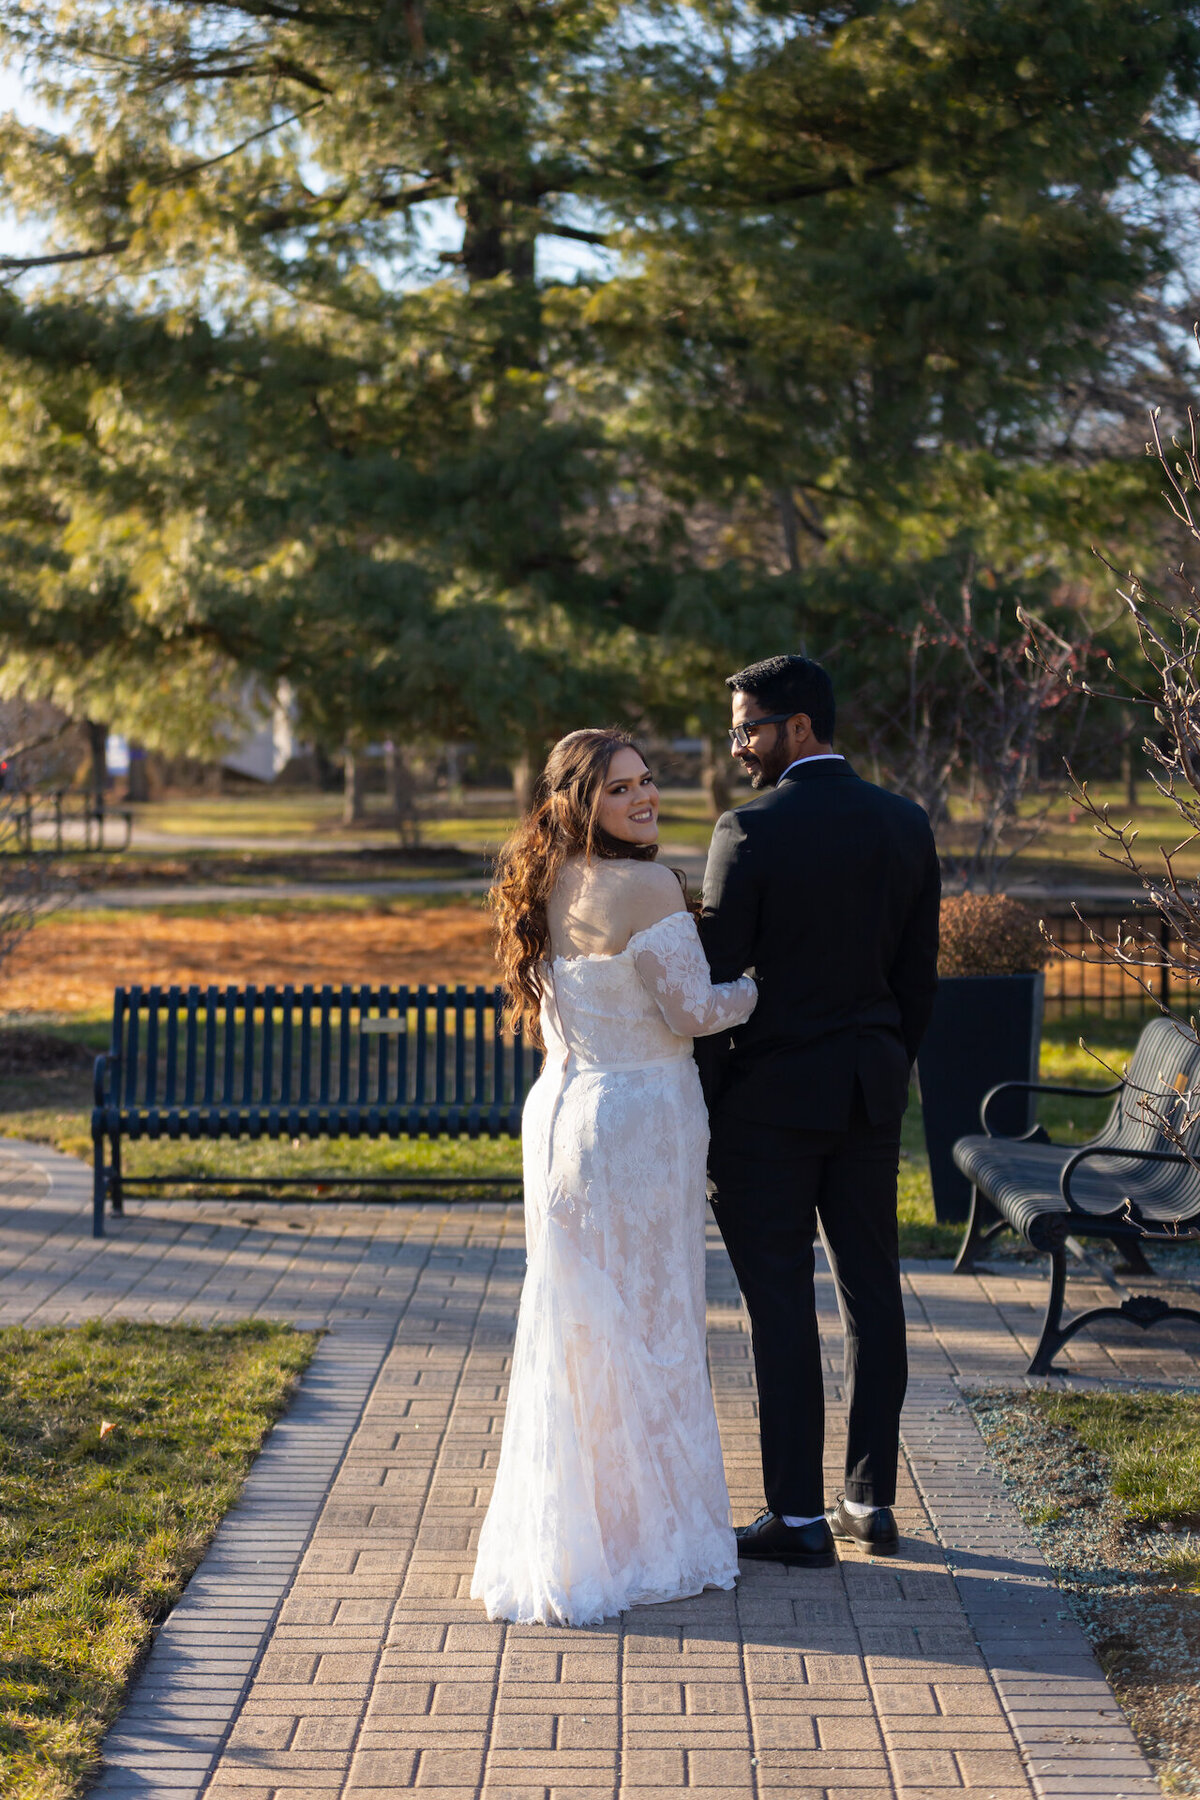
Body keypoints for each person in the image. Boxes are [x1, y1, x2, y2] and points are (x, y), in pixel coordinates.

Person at [471, 728, 758, 1626]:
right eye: (620, 788)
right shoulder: (652, 887)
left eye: (647, 781)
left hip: (561, 1116)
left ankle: (583, 1527)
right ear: (578, 801)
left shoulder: (545, 886)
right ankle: (646, 1534)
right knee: (655, 1314)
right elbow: (693, 1011)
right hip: (639, 1123)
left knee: (581, 1319)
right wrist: (754, 987)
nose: (644, 797)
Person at [697, 655, 940, 1567]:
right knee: (873, 1296)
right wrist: (884, 1066)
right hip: (869, 1095)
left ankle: (797, 1518)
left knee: (781, 1306)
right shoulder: (905, 824)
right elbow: (917, 981)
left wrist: (711, 1106)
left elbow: (719, 982)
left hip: (769, 1104)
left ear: (799, 727)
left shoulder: (749, 831)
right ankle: (867, 1501)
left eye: (748, 728)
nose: (739, 747)